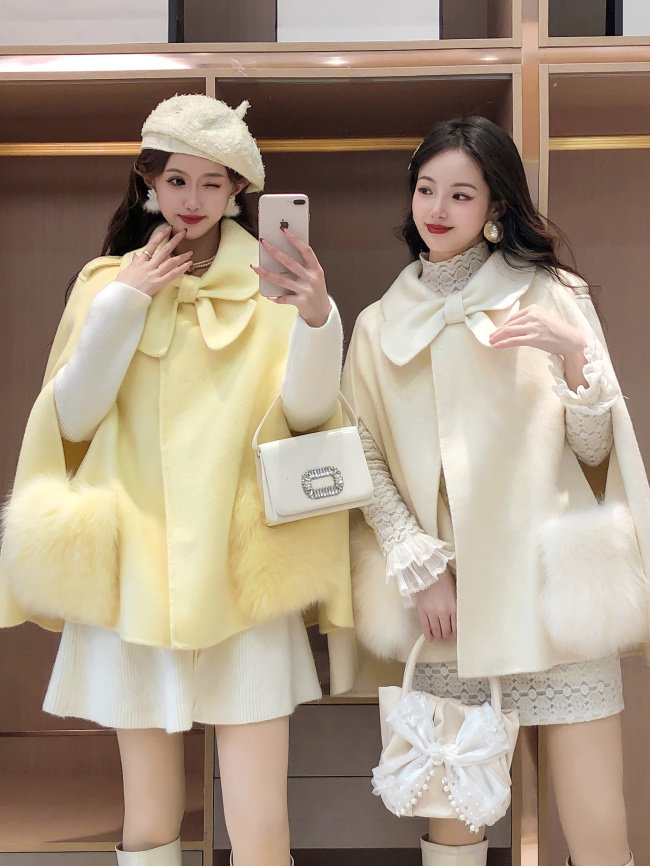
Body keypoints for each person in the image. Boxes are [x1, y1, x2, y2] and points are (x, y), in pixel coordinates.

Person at [0, 94, 353, 866]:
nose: (192, 200)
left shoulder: (271, 289)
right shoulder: (105, 284)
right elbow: (72, 418)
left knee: (260, 820)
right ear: (148, 182)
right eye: (176, 180)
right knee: (150, 814)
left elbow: (308, 416)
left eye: (212, 183)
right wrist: (126, 302)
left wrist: (318, 319)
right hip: (137, 571)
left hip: (241, 572)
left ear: (238, 192)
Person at [342, 116, 650, 866]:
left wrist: (575, 356)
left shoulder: (553, 294)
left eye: (461, 193)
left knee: (597, 827)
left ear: (495, 207)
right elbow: (362, 454)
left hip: (554, 604)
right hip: (451, 610)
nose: (437, 208)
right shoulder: (380, 326)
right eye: (426, 189)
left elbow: (595, 454)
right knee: (455, 831)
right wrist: (418, 563)